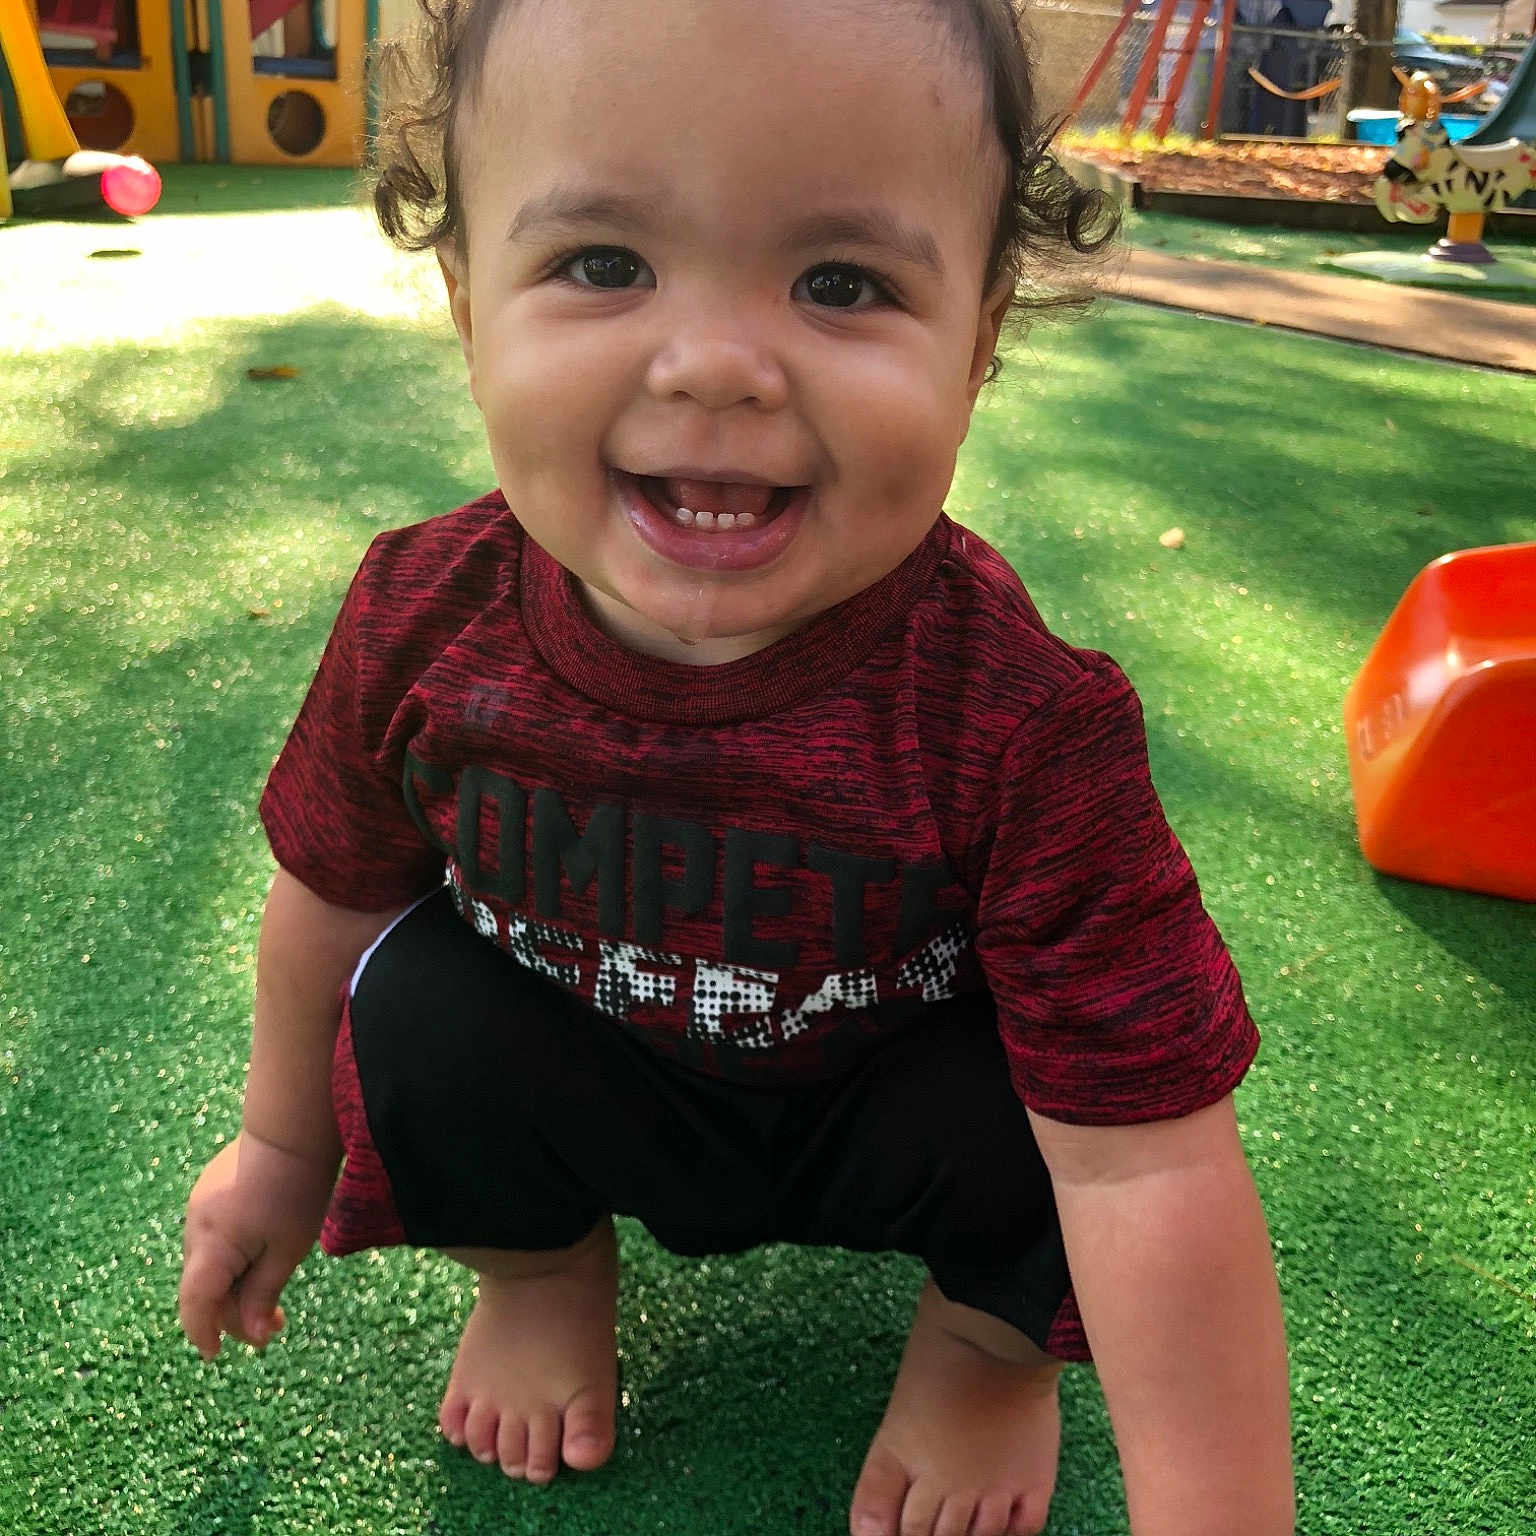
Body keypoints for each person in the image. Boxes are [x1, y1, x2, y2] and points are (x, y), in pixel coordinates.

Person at [177, 1, 1296, 1532]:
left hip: (891, 1099)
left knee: (1081, 1099)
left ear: (978, 339)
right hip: (590, 1057)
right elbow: (328, 893)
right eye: (602, 265)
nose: (714, 365)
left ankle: (980, 1352)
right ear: (462, 297)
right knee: (413, 999)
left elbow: (1148, 1171)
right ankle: (538, 1270)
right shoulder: (419, 615)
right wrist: (280, 1145)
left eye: (842, 282)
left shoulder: (1023, 718)